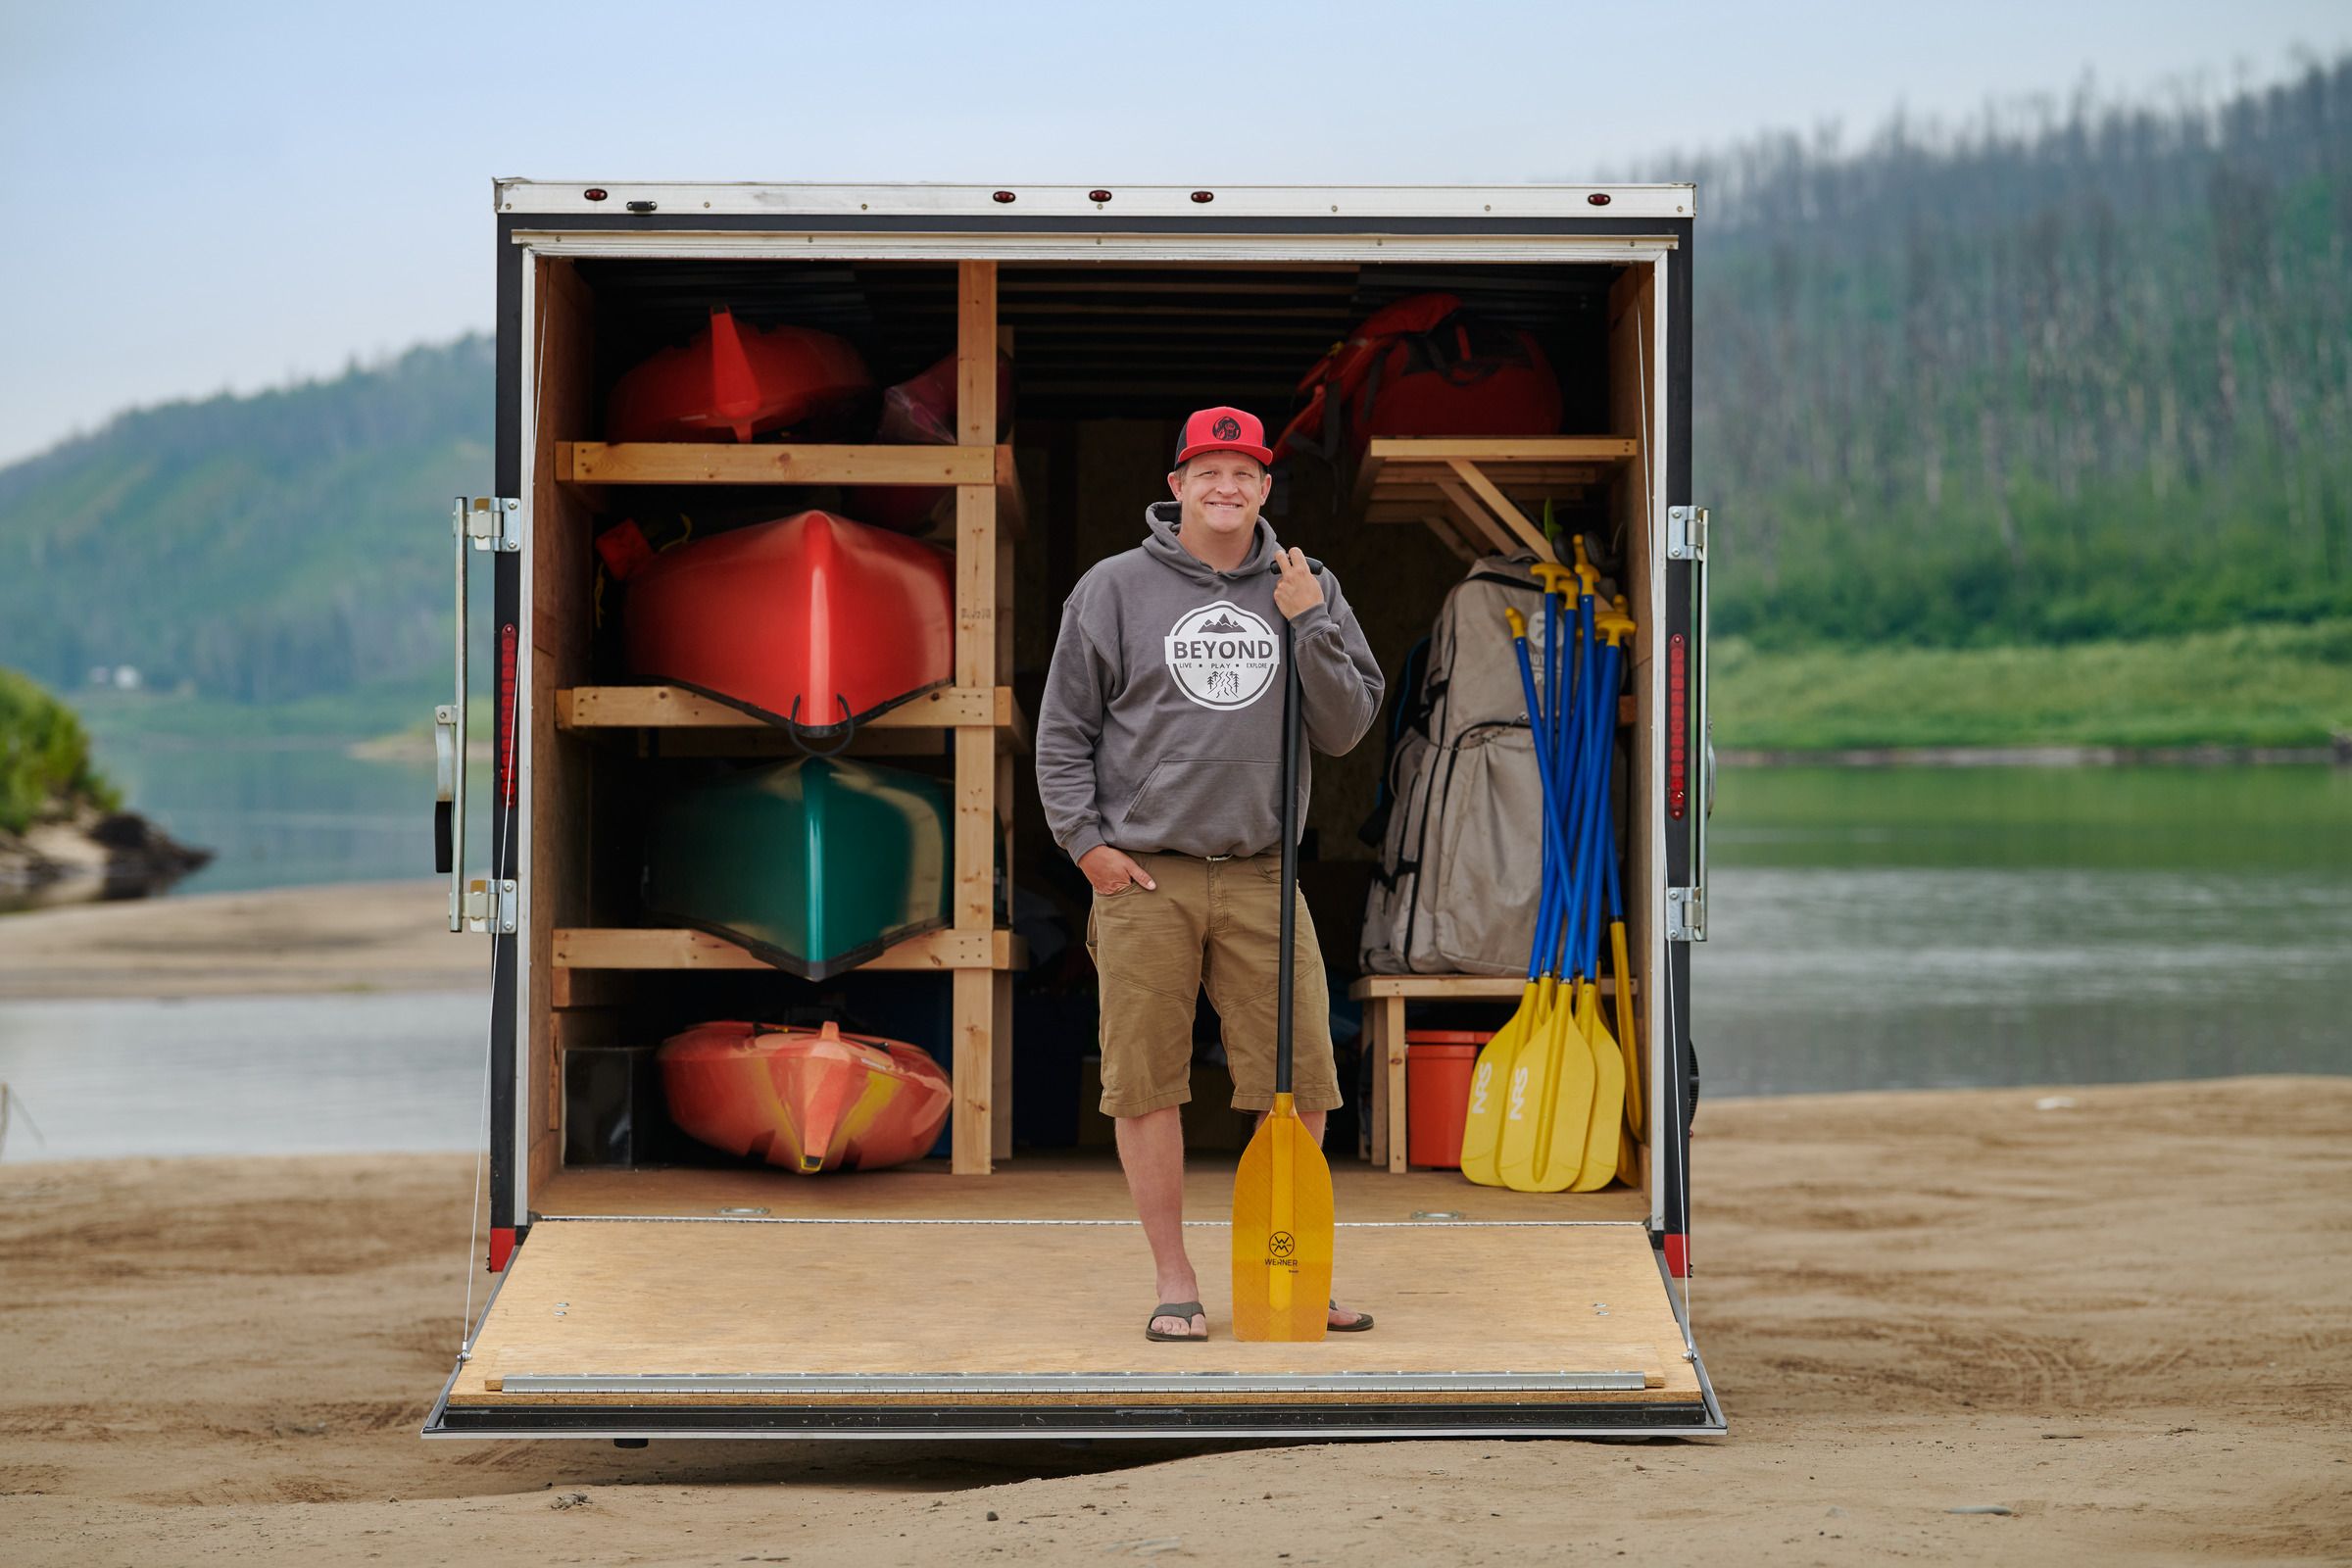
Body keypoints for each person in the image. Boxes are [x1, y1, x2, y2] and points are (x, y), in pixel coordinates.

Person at [1034, 406, 1386, 1342]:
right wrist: (1087, 845)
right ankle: (1175, 1280)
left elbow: (1347, 727)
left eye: (1245, 473)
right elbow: (1062, 731)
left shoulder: (1308, 584)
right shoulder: (1111, 590)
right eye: (1208, 472)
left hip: (1266, 870)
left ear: (1267, 489)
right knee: (1146, 1081)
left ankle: (1292, 1266)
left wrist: (1308, 624)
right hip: (1145, 874)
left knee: (1305, 1079)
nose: (1226, 488)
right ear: (1178, 484)